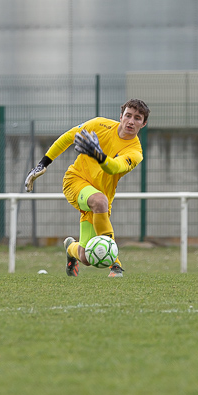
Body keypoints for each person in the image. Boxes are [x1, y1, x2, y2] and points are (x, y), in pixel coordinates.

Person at [23, 99, 149, 278]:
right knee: (99, 201)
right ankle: (116, 265)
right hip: (75, 181)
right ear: (121, 116)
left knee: (86, 257)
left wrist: (99, 155)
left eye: (137, 118)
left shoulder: (135, 153)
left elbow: (113, 167)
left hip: (100, 199)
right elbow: (69, 136)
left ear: (143, 124)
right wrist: (43, 163)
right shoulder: (99, 124)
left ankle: (70, 248)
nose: (131, 121)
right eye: (128, 116)